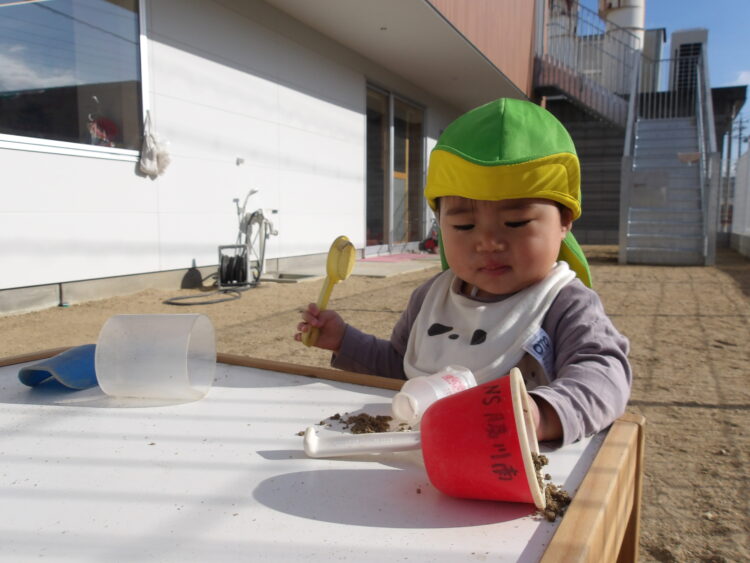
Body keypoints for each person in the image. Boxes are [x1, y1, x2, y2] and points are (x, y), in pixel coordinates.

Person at [295, 98, 631, 445]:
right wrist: (344, 340)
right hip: (423, 454)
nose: (488, 242)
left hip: (511, 464)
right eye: (464, 226)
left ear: (564, 222)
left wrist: (541, 414)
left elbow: (605, 374)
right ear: (440, 225)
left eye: (515, 222)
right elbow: (403, 367)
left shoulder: (564, 303)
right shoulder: (431, 298)